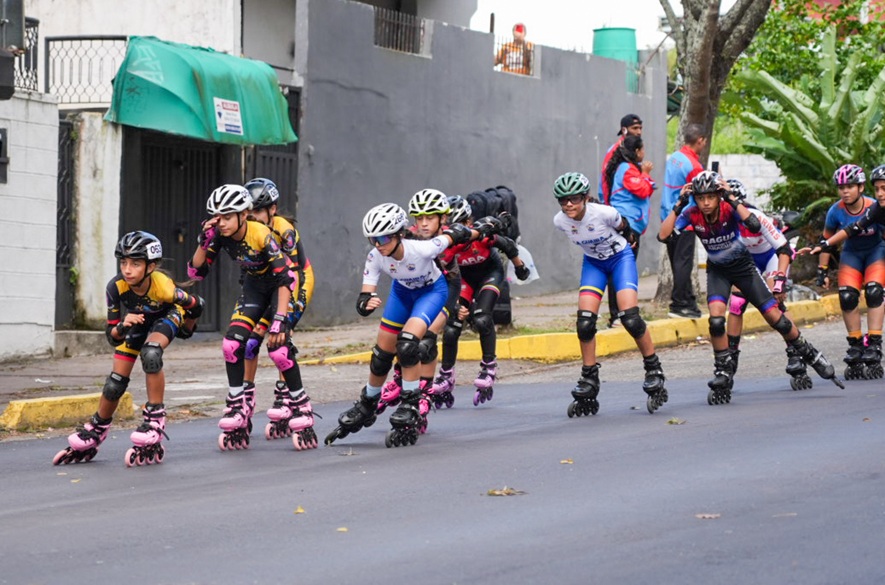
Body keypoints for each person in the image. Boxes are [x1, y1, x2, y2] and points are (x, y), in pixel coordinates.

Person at [658, 171, 843, 405]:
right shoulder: (692, 213)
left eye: (710, 197)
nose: (705, 203)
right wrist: (679, 204)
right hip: (718, 272)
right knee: (716, 320)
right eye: (700, 198)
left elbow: (754, 224)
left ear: (718, 196)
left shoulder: (729, 209)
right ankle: (723, 370)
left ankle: (809, 353)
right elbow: (663, 236)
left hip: (744, 269)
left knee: (777, 319)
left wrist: (732, 199)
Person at [324, 202, 499, 448]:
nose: (378, 244)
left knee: (407, 344)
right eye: (373, 239)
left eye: (383, 238)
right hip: (402, 294)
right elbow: (364, 296)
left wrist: (485, 228)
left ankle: (410, 402)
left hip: (431, 292)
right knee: (381, 355)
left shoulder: (422, 248)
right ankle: (368, 402)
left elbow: (456, 235)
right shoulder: (375, 256)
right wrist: (365, 304)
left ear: (398, 234)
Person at [53, 231, 203, 466]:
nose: (127, 269)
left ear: (151, 266)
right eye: (123, 262)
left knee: (151, 354)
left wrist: (188, 328)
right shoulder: (115, 287)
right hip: (138, 320)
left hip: (168, 315)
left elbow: (196, 305)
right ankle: (97, 427)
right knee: (115, 382)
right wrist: (123, 325)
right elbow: (112, 336)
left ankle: (155, 419)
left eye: (135, 263)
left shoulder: (164, 287)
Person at [188, 184, 313, 451]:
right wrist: (204, 241)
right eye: (216, 217)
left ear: (244, 215)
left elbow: (287, 277)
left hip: (286, 285)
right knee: (232, 345)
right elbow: (196, 273)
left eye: (226, 217)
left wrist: (280, 319)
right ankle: (238, 405)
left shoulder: (263, 234)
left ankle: (299, 405)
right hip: (255, 288)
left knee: (278, 348)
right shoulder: (221, 234)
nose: (220, 223)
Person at [552, 172, 668, 417]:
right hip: (594, 264)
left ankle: (653, 368)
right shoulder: (560, 221)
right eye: (563, 201)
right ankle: (589, 377)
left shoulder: (603, 213)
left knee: (630, 318)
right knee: (584, 323)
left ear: (584, 198)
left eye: (573, 199)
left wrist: (631, 240)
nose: (568, 205)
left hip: (620, 259)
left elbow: (625, 227)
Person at [430, 195, 530, 407]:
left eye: (462, 225)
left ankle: (488, 367)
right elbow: (441, 277)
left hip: (489, 273)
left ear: (469, 223)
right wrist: (454, 305)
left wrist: (520, 267)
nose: (458, 235)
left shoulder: (482, 236)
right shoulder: (447, 247)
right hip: (463, 279)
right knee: (451, 326)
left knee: (482, 318)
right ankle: (446, 374)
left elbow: (509, 245)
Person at [241, 177, 317, 449]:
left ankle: (286, 395)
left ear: (272, 210)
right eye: (247, 214)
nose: (252, 219)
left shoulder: (284, 232)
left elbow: (291, 275)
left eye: (257, 213)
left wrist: (284, 317)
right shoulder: (246, 230)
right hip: (268, 285)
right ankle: (245, 399)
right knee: (249, 343)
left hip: (295, 281)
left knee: (279, 340)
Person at [377, 189, 459, 413]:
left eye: (429, 218)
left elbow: (479, 240)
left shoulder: (451, 238)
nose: (423, 224)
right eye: (419, 218)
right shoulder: (407, 237)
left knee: (427, 339)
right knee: (404, 340)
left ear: (443, 218)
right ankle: (399, 375)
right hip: (411, 291)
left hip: (445, 288)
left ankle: (424, 393)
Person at [722, 179, 808, 389]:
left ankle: (795, 350)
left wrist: (779, 279)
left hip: (771, 257)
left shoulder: (756, 217)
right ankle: (730, 357)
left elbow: (783, 248)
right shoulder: (722, 221)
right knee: (736, 304)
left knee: (775, 302)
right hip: (747, 262)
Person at [805, 164, 885, 380]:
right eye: (841, 187)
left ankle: (875, 342)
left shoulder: (873, 205)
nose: (845, 191)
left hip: (875, 253)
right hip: (852, 255)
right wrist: (822, 268)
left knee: (874, 291)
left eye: (850, 186)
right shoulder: (838, 211)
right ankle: (857, 344)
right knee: (847, 296)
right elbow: (834, 237)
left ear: (860, 187)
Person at [602, 133, 656, 327]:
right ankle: (619, 314)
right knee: (620, 269)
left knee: (624, 269)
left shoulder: (629, 168)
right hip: (626, 226)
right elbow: (642, 189)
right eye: (642, 149)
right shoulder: (627, 169)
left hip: (631, 225)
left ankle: (624, 313)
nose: (644, 153)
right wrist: (646, 174)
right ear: (636, 151)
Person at [661, 123, 705, 319]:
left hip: (668, 216)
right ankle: (679, 303)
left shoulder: (675, 158)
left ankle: (688, 301)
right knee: (683, 264)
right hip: (684, 220)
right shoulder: (694, 166)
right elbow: (701, 196)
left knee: (676, 261)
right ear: (700, 140)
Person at [598, 114, 643, 201]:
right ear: (624, 130)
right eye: (635, 128)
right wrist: (607, 205)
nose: (639, 132)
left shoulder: (634, 149)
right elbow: (605, 178)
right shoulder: (615, 150)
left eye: (640, 128)